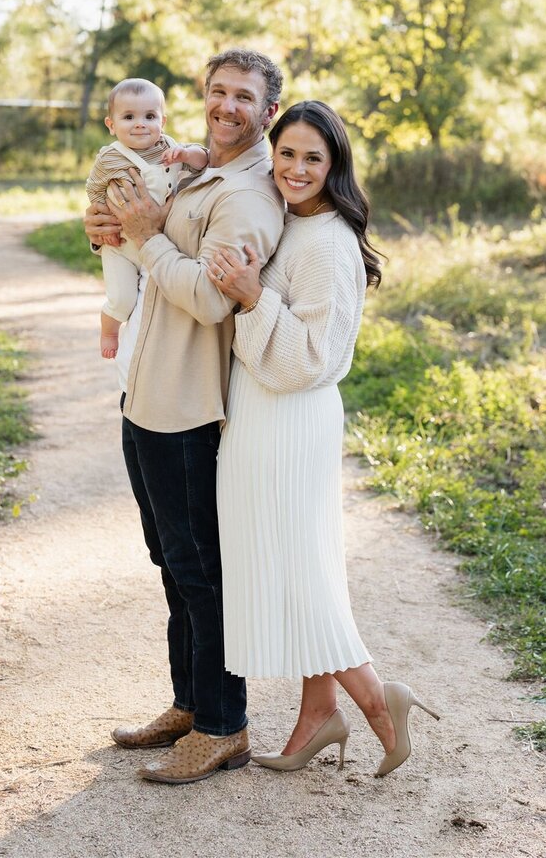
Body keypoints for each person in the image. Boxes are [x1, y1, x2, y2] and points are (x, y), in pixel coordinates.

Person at [207, 101, 439, 777]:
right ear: (270, 155)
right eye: (287, 154)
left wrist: (254, 299)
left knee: (300, 574)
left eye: (314, 157)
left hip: (290, 422)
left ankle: (375, 702)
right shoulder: (292, 224)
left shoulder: (330, 242)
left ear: (334, 165)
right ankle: (318, 716)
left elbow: (311, 360)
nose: (297, 169)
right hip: (262, 419)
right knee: (300, 566)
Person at [83, 49, 285, 785]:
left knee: (200, 570)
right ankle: (189, 702)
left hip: (191, 407)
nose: (226, 106)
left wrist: (142, 236)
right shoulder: (197, 169)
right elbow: (136, 233)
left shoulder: (250, 195)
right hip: (146, 393)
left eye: (244, 98)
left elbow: (207, 299)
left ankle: (224, 725)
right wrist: (106, 227)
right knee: (170, 562)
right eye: (217, 92)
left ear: (267, 113)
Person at [85, 77, 208, 359]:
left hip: (161, 244)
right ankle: (109, 328)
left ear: (162, 121)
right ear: (111, 125)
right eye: (129, 117)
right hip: (121, 243)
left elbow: (204, 160)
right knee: (122, 299)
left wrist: (187, 153)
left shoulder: (170, 148)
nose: (140, 123)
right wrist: (103, 216)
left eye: (149, 116)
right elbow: (94, 187)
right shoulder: (110, 158)